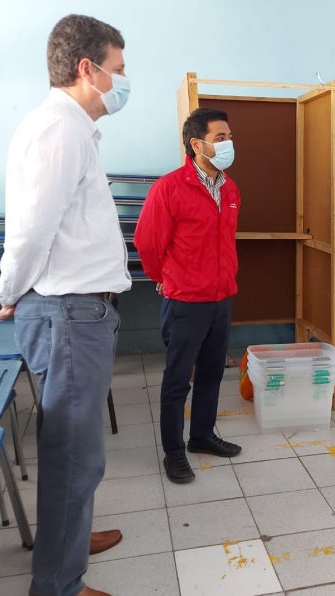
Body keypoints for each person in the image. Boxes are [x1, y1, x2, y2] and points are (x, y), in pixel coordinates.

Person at [0, 14, 132, 596]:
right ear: (86, 69)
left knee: (74, 446)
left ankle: (68, 537)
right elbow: (30, 230)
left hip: (80, 312)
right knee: (74, 454)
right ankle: (58, 585)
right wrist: (9, 289)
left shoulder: (72, 130)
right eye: (118, 70)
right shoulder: (58, 130)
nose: (123, 82)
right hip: (69, 313)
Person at [134, 107, 242, 484]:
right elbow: (147, 241)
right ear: (197, 144)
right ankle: (174, 453)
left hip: (220, 297)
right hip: (185, 300)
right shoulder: (169, 187)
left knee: (213, 371)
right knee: (179, 380)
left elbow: (224, 242)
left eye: (229, 137)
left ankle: (201, 436)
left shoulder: (230, 188)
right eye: (220, 138)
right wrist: (163, 277)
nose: (229, 144)